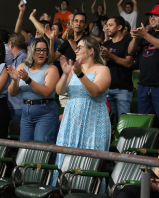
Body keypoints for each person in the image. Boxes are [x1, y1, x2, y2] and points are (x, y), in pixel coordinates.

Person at [52, 36, 111, 185]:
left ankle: (86, 194)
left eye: (79, 47)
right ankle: (62, 190)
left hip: (93, 121)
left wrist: (80, 74)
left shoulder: (102, 69)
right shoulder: (74, 69)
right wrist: (66, 73)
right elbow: (59, 91)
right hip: (72, 120)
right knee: (67, 155)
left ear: (91, 51)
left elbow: (95, 92)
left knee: (89, 158)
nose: (76, 50)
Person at [7, 38, 59, 142]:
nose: (41, 53)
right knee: (24, 147)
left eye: (44, 50)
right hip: (26, 112)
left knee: (41, 148)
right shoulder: (22, 67)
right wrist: (14, 80)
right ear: (31, 51)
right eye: (38, 50)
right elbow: (12, 93)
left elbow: (47, 93)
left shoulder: (51, 69)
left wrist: (28, 80)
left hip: (45, 111)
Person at [102, 16, 134, 124]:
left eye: (110, 25)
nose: (107, 28)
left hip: (123, 89)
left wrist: (110, 56)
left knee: (123, 124)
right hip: (107, 89)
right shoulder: (106, 44)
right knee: (108, 123)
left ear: (119, 27)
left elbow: (129, 63)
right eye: (106, 26)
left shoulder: (128, 41)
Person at [53, 12, 88, 107]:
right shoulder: (67, 41)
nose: (78, 23)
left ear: (85, 26)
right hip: (66, 81)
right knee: (65, 114)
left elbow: (81, 54)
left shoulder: (87, 40)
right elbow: (53, 58)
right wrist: (52, 40)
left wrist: (69, 39)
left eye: (81, 22)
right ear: (72, 24)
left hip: (79, 82)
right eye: (76, 21)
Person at [7, 33, 28, 122]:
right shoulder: (21, 57)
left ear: (11, 44)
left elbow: (20, 83)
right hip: (17, 106)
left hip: (19, 106)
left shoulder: (22, 58)